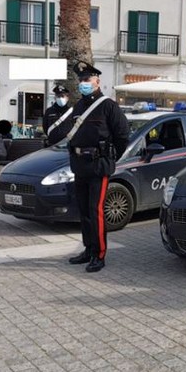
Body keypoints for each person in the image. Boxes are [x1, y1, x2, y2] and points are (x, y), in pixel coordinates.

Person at [48, 62, 129, 273]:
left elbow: (122, 136)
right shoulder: (78, 107)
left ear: (97, 81)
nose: (84, 83)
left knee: (96, 211)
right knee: (83, 210)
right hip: (79, 165)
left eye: (87, 79)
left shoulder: (108, 105)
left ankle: (99, 254)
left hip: (98, 165)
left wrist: (110, 158)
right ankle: (87, 249)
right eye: (81, 80)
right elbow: (67, 134)